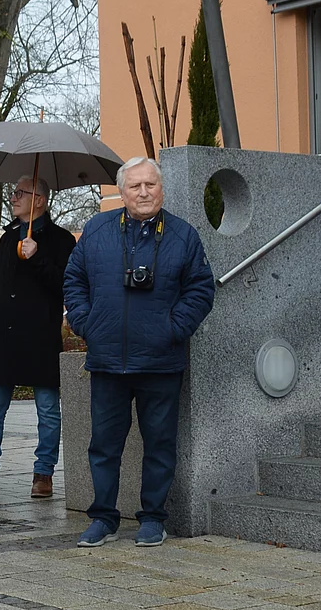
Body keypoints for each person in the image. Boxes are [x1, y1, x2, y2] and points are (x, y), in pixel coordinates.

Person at [63, 158, 216, 549]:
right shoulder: (97, 229)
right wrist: (86, 323)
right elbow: (74, 280)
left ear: (161, 189)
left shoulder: (182, 235)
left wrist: (173, 329)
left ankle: (152, 519)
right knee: (104, 445)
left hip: (161, 361)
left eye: (151, 184)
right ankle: (103, 517)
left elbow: (201, 290)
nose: (144, 192)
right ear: (122, 192)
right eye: (135, 186)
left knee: (159, 444)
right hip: (107, 360)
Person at [0, 177, 74, 500]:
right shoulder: (7, 237)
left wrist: (38, 256)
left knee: (48, 409)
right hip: (4, 336)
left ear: (39, 200)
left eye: (20, 193)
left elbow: (66, 285)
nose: (13, 198)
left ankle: (44, 473)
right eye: (13, 193)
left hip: (40, 336)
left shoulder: (61, 240)